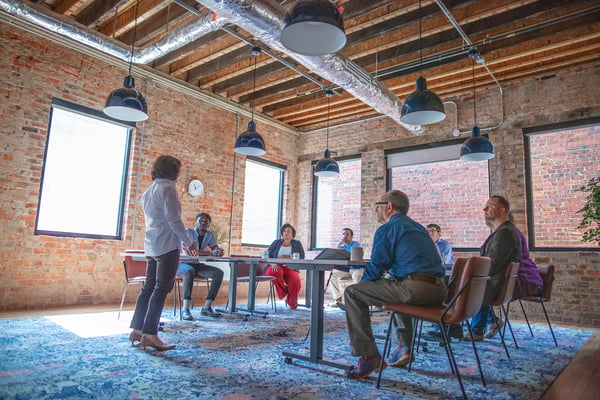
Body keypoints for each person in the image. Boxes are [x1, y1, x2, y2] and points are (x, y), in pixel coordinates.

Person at [344, 190, 447, 379]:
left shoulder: (387, 228)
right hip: (440, 291)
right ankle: (403, 347)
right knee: (395, 285)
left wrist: (364, 290)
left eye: (378, 206)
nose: (376, 210)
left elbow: (376, 266)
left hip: (416, 289)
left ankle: (369, 357)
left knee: (352, 293)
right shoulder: (419, 228)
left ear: (389, 207)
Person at [129, 155, 198, 351]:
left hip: (151, 245)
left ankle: (137, 330)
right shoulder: (168, 189)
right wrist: (189, 242)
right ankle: (150, 333)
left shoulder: (148, 191)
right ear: (174, 171)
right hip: (167, 246)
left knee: (149, 287)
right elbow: (174, 220)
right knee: (161, 288)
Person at [461, 195, 522, 342]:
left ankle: (472, 329)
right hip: (494, 283)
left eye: (490, 206)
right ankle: (492, 321)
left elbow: (492, 264)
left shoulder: (505, 233)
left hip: (492, 285)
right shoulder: (503, 231)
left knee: (458, 282)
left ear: (502, 210)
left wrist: (469, 272)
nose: (484, 209)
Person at [479, 211, 543, 339]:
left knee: (476, 287)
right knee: (478, 286)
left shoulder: (507, 234)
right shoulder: (509, 232)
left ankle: (476, 328)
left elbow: (497, 262)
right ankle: (490, 321)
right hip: (524, 276)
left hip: (518, 279)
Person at [176, 212, 225, 320]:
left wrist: (218, 252)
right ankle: (185, 309)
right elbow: (191, 252)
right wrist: (210, 253)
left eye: (205, 221)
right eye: (200, 221)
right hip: (180, 264)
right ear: (196, 222)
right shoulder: (188, 232)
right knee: (189, 271)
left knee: (218, 273)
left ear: (208, 224)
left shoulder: (209, 235)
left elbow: (214, 249)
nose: (203, 223)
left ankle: (206, 307)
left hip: (196, 265)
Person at [264, 223, 305, 309]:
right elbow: (267, 255)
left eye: (289, 231)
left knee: (296, 280)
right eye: (284, 231)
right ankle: (283, 292)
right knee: (275, 271)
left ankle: (292, 303)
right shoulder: (276, 243)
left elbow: (302, 256)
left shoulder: (297, 243)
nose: (286, 233)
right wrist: (272, 263)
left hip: (290, 266)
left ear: (292, 234)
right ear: (282, 233)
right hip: (275, 265)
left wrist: (289, 257)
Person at [327, 228, 363, 308]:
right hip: (346, 270)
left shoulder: (355, 244)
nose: (345, 236)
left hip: (356, 269)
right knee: (333, 276)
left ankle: (355, 300)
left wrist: (345, 245)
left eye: (347, 234)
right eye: (343, 234)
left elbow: (352, 255)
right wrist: (339, 245)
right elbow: (336, 256)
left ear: (351, 236)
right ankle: (338, 299)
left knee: (357, 276)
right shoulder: (342, 246)